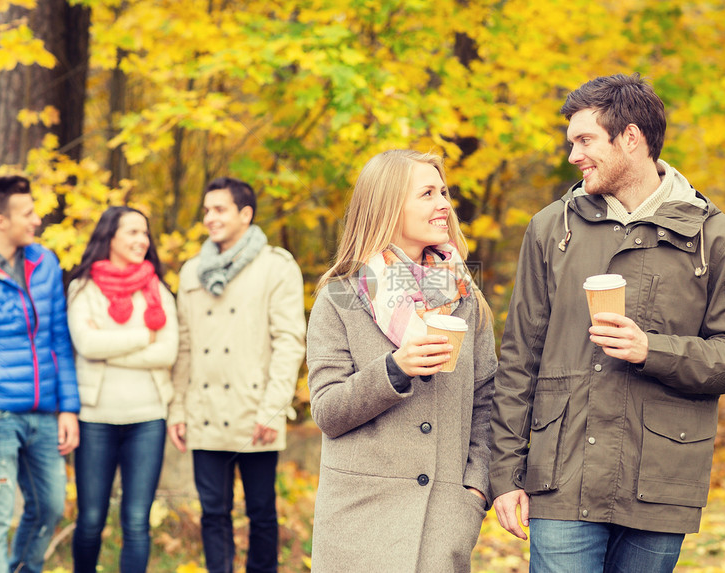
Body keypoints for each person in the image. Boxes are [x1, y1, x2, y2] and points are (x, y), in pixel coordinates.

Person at [490, 73, 725, 572]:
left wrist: (651, 349)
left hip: (660, 480)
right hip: (561, 477)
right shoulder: (552, 227)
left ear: (630, 138)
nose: (573, 155)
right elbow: (518, 360)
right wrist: (504, 473)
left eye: (585, 140)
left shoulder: (714, 236)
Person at [307, 149, 497, 572]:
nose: (444, 205)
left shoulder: (466, 297)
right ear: (388, 207)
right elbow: (327, 410)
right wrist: (394, 369)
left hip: (442, 521)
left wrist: (474, 491)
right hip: (358, 524)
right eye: (427, 193)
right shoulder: (339, 297)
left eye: (443, 192)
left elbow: (487, 402)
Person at [168, 177, 305, 573]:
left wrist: (274, 408)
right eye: (207, 209)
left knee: (261, 513)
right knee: (213, 513)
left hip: (255, 412)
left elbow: (289, 342)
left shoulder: (276, 266)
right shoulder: (192, 271)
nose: (210, 218)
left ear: (245, 214)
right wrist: (178, 409)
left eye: (220, 209)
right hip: (204, 410)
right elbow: (185, 347)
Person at [0, 175, 80, 573]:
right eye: (27, 213)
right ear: (0, 221)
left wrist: (67, 408)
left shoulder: (44, 262)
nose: (36, 220)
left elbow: (58, 337)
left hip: (43, 413)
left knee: (51, 506)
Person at [66, 206, 178, 572]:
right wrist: (144, 337)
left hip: (148, 419)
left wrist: (110, 347)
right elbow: (86, 345)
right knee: (91, 520)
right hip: (95, 419)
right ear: (109, 237)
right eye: (132, 232)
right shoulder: (83, 288)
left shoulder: (157, 289)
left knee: (135, 522)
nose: (141, 240)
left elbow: (168, 352)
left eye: (144, 233)